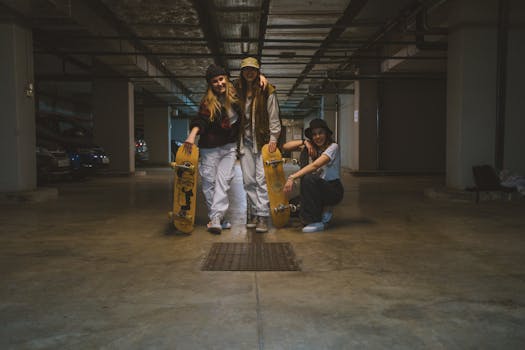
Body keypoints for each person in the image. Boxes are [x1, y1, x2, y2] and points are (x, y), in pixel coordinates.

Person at [183, 64, 241, 234]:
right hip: (210, 148)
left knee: (223, 183)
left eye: (221, 79)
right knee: (210, 183)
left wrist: (262, 78)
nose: (219, 83)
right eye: (215, 81)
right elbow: (201, 119)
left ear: (227, 79)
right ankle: (217, 218)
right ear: (210, 84)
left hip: (229, 147)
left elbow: (250, 82)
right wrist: (192, 135)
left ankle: (215, 218)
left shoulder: (237, 97)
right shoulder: (208, 101)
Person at [235, 57, 281, 233]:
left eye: (253, 69)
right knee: (248, 181)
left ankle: (262, 216)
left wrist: (274, 138)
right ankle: (253, 213)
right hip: (244, 142)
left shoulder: (267, 90)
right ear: (242, 71)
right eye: (246, 69)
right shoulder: (237, 90)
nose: (249, 72)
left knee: (262, 180)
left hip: (262, 142)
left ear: (258, 71)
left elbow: (273, 114)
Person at [282, 118, 344, 233]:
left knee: (309, 178)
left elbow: (315, 165)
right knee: (291, 207)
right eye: (314, 134)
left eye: (320, 133)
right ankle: (319, 210)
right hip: (316, 189)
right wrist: (304, 142)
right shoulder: (311, 147)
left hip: (333, 189)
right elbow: (286, 146)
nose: (317, 137)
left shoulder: (333, 147)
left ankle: (316, 221)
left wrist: (292, 177)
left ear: (326, 133)